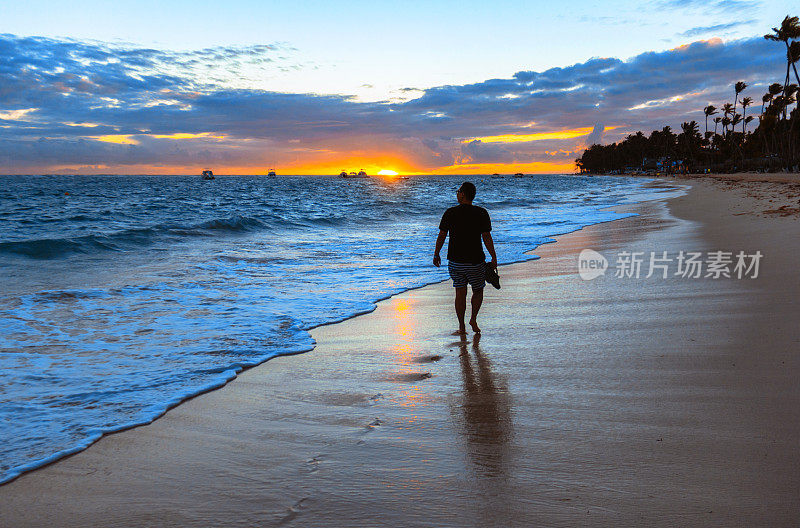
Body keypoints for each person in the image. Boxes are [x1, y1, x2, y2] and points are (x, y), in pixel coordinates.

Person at [433, 181, 497, 334]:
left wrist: (436, 253)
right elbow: (486, 237)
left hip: (456, 262)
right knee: (478, 291)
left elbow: (442, 235)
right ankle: (473, 319)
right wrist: (493, 257)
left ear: (462, 194)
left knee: (460, 293)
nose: (457, 194)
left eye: (458, 191)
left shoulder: (450, 212)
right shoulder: (481, 212)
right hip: (476, 262)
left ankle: (461, 326)